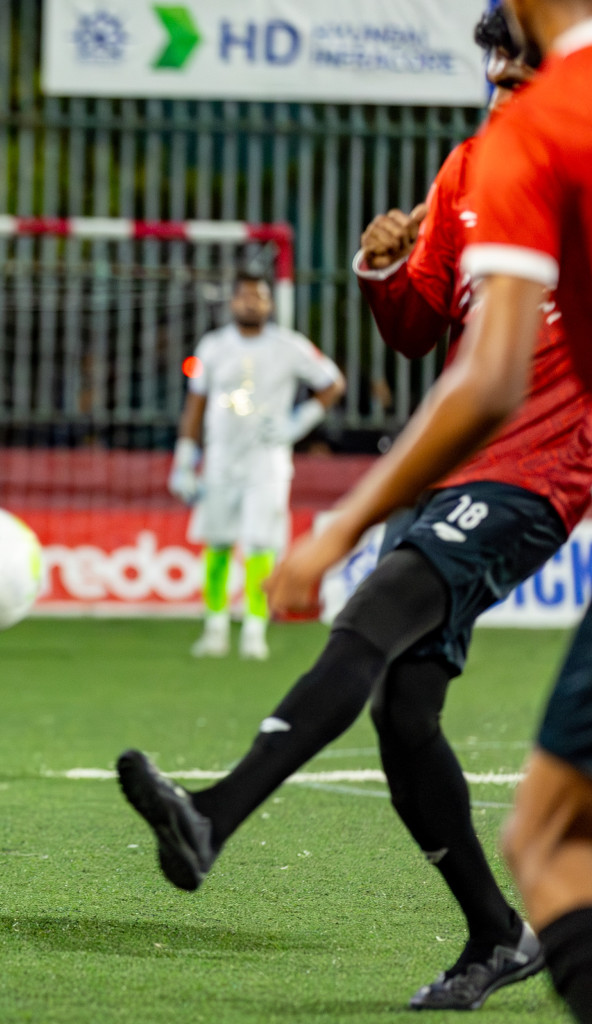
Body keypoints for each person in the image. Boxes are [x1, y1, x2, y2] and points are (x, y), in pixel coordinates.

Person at [118, 7, 592, 1011]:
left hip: (537, 466)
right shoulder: (468, 171)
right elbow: (425, 332)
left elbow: (508, 367)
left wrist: (337, 524)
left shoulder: (569, 144)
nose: (500, 73)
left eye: (518, 55)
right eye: (492, 58)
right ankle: (496, 934)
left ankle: (210, 816)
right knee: (404, 711)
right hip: (448, 465)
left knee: (374, 615)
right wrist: (382, 269)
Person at [167, 270, 344, 660]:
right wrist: (184, 456)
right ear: (232, 301)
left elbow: (332, 382)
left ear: (270, 302)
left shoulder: (288, 346)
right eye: (245, 296)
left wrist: (298, 421)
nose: (252, 303)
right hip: (219, 457)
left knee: (261, 542)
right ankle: (214, 626)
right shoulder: (212, 346)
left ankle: (253, 628)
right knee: (216, 540)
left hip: (267, 458)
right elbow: (195, 402)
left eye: (259, 297)